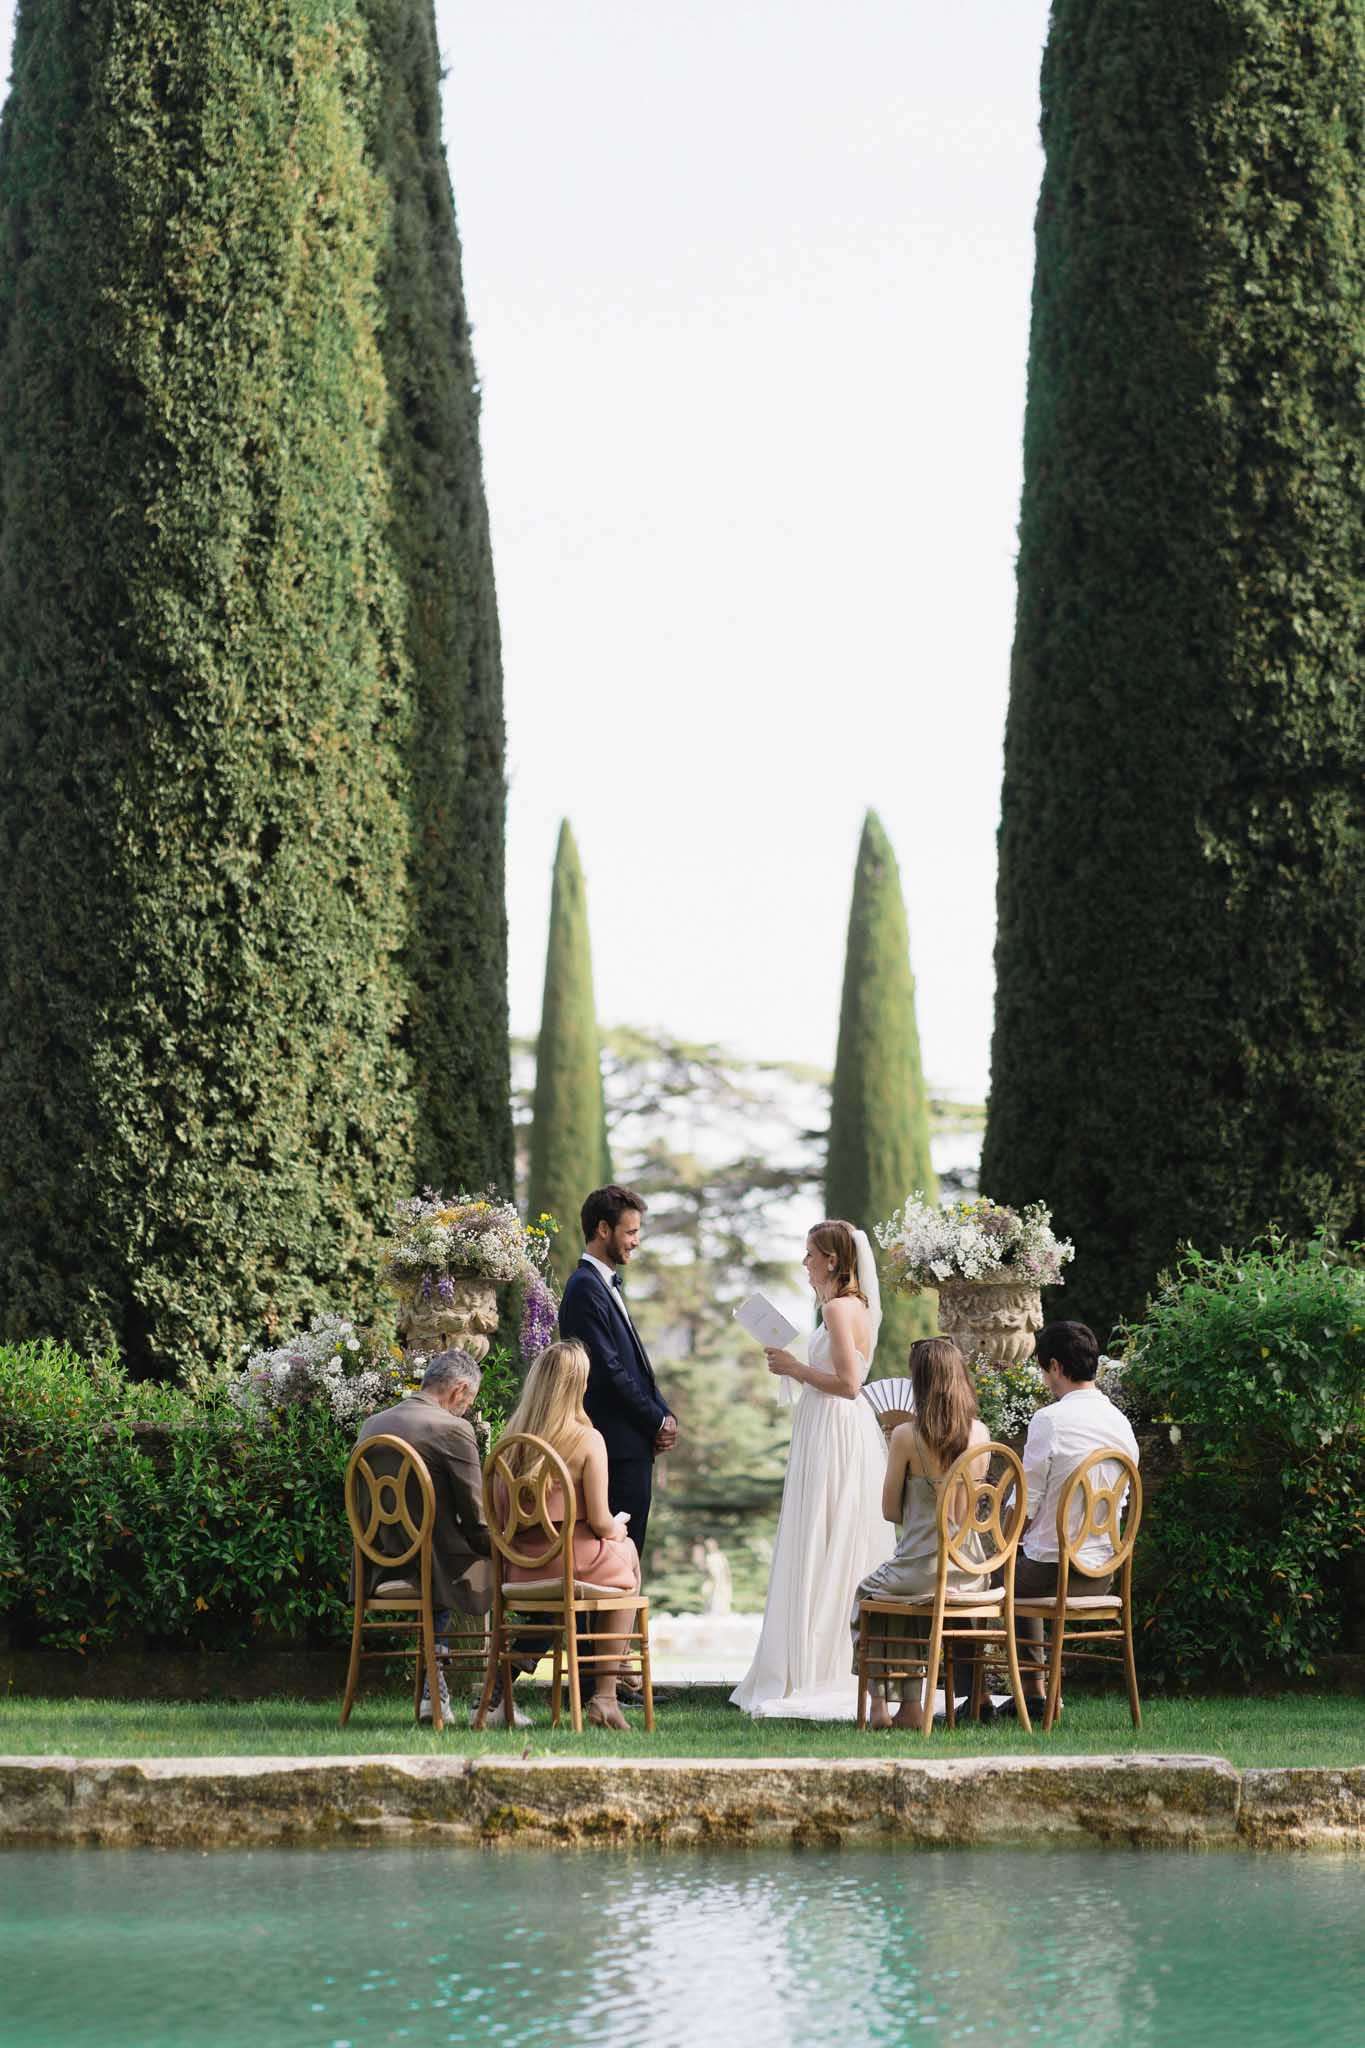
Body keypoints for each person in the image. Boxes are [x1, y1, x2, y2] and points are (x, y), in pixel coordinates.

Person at [729, 1219, 894, 1718]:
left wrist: (794, 1368)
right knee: (827, 1533)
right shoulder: (849, 1308)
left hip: (836, 1427)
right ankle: (818, 1657)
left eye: (809, 1254)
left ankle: (821, 1666)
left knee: (828, 1533)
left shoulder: (839, 1308)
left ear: (832, 1260)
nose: (804, 1263)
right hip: (833, 1425)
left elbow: (847, 1383)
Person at [355, 1351, 525, 1726]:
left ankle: (437, 1687)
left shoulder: (372, 1425)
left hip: (379, 1567)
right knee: (509, 1568)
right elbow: (477, 1516)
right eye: (469, 1402)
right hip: (431, 1568)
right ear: (459, 1389)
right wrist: (509, 1548)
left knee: (441, 1551)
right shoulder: (451, 1429)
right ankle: (491, 1696)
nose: (466, 1410)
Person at [996, 1318, 1140, 1719]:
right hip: (1102, 1573)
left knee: (989, 1580)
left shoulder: (1050, 1421)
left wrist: (1002, 1549)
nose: (1045, 1378)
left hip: (1054, 1572)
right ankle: (1040, 1697)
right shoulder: (1121, 1425)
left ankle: (986, 1700)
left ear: (1056, 1367)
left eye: (1044, 1369)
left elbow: (1025, 1503)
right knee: (1022, 1570)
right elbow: (1123, 1500)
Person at [496, 1339, 643, 1731]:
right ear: (579, 1386)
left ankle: (507, 1680)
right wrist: (618, 1524)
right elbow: (598, 1520)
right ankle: (607, 1694)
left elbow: (497, 1516)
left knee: (610, 1565)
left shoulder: (510, 1440)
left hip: (519, 1569)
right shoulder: (587, 1439)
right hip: (570, 1562)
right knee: (625, 1554)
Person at [850, 1338, 991, 1731]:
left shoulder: (906, 1436)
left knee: (870, 1595)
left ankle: (882, 1706)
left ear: (920, 1382)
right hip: (971, 1569)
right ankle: (910, 1708)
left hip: (922, 1565)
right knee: (904, 1594)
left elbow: (890, 1511)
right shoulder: (981, 1432)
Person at [557, 1185, 677, 1568]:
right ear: (603, 1229)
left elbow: (636, 1366)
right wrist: (655, 1420)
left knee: (626, 1558)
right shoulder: (584, 1289)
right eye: (630, 1232)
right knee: (612, 1562)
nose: (636, 1242)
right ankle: (610, 1631)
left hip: (630, 1445)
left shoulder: (601, 1285)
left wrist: (664, 1414)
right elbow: (606, 1372)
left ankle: (618, 1630)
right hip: (612, 1449)